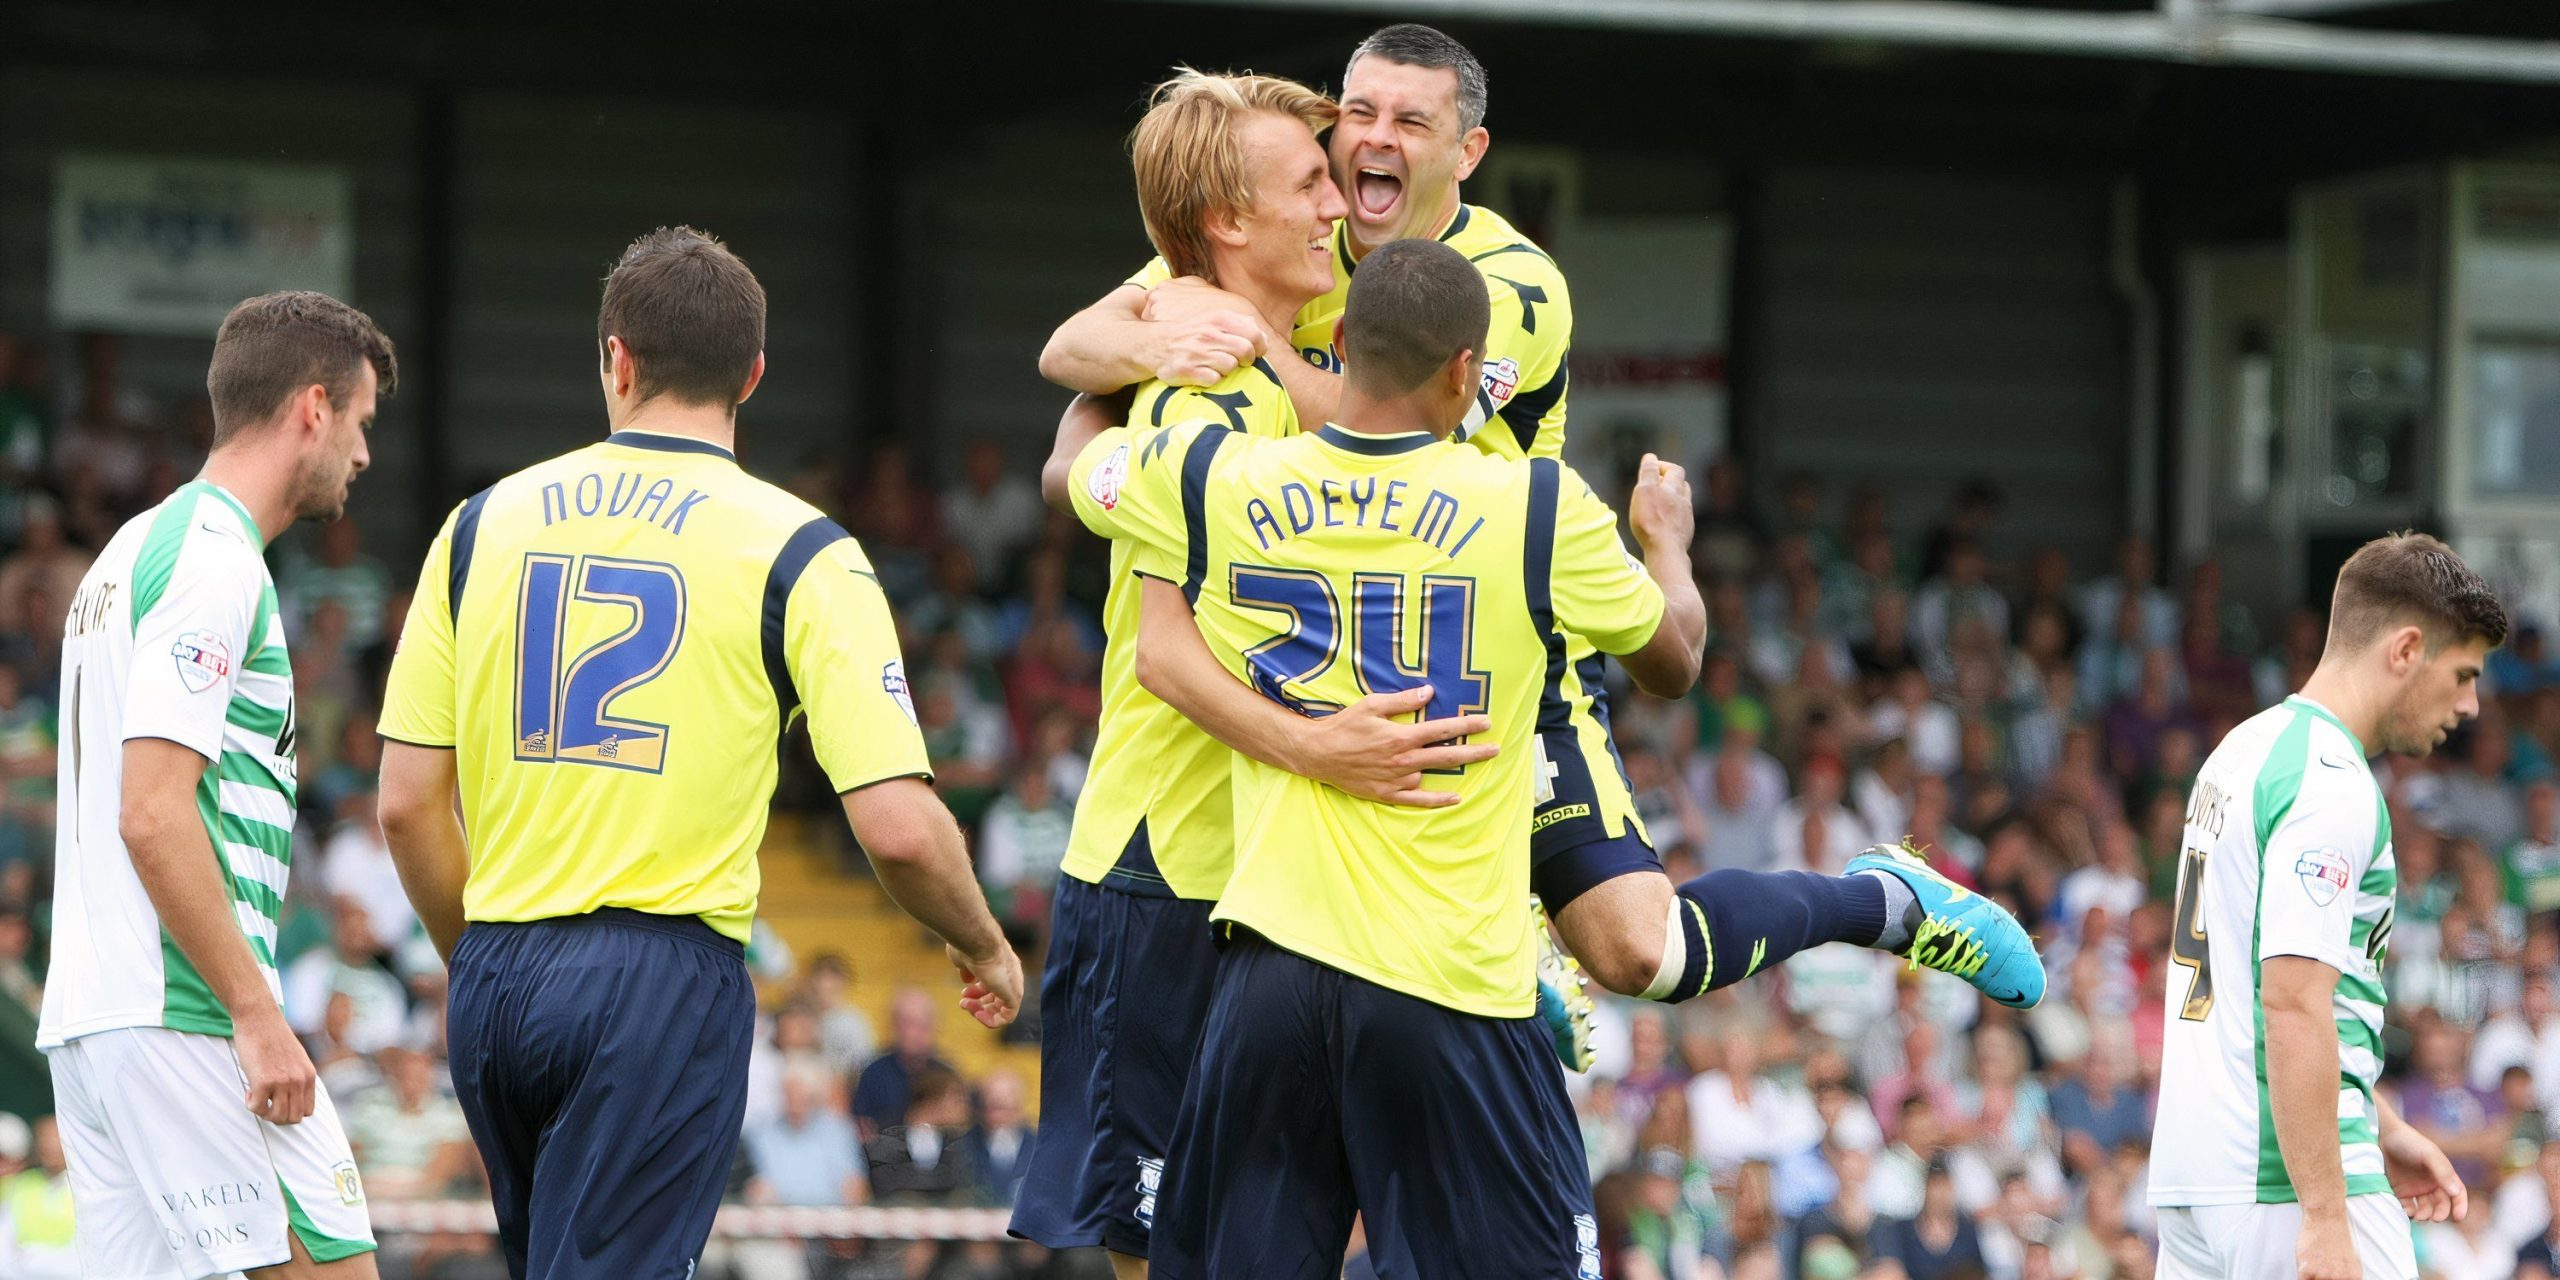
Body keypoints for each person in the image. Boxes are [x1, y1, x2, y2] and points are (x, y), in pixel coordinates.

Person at [1046, 23, 2041, 1076]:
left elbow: (1387, 427)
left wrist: (1244, 338)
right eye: (1358, 113)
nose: (1372, 140)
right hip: (1351, 631)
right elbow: (1070, 357)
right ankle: (1509, 956)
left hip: (1505, 649)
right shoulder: (1288, 229)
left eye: (1410, 121)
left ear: (1466, 152)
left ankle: (1881, 900)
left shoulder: (1506, 284)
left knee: (1639, 951)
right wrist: (1155, 336)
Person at [375, 227, 1021, 1280]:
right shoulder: (804, 549)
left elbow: (406, 805)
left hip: (497, 972)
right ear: (753, 375)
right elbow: (901, 830)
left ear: (615, 359)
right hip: (659, 983)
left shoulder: (478, 526)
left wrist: (482, 960)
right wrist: (985, 943)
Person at [1063, 235, 1702, 1277]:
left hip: (1269, 975)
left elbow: (1072, 470)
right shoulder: (1536, 505)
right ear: (1464, 369)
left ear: (1345, 346)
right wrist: (1666, 543)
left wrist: (1139, 349)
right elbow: (1672, 660)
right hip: (1447, 981)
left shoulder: (1209, 478)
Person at [1012, 68, 1488, 1280]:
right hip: (1166, 871)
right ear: (1225, 222)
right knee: (1157, 1250)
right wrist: (1323, 749)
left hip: (1275, 887)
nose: (1338, 203)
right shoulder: (1199, 385)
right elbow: (1163, 651)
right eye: (1310, 182)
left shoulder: (1291, 351)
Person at [38, 291, 392, 1279]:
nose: (366, 454)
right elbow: (152, 812)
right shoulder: (213, 562)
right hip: (184, 1011)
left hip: (96, 1018)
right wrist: (256, 1011)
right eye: (361, 421)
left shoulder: (127, 553)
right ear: (313, 408)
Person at [2150, 531, 2501, 1280]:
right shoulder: (2331, 784)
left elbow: (2250, 988)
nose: (2470, 705)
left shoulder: (2243, 750)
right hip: (2283, 1180)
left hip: (2194, 1179)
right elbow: (2293, 1003)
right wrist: (2325, 1211)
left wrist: (2383, 1123)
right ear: (2406, 650)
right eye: (2464, 675)